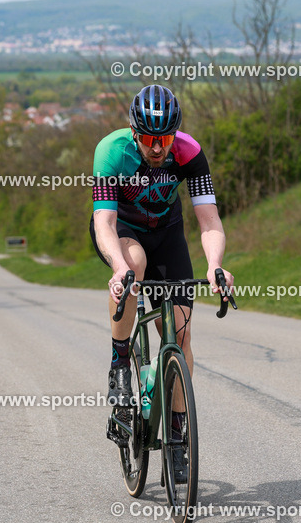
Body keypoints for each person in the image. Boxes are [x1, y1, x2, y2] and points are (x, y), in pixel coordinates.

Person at [90, 84, 234, 480]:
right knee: (133, 264)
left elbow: (209, 221)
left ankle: (176, 433)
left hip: (168, 233)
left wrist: (215, 265)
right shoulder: (112, 152)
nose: (158, 148)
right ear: (134, 132)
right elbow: (104, 221)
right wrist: (119, 267)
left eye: (165, 138)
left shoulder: (189, 152)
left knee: (180, 334)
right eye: (151, 139)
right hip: (125, 233)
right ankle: (121, 362)